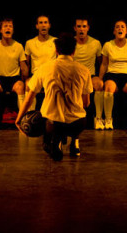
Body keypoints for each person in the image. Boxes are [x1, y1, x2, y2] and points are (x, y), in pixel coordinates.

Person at [16, 32, 93, 161]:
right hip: (78, 124)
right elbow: (86, 103)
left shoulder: (44, 68)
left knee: (51, 123)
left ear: (56, 51)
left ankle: (54, 141)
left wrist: (18, 120)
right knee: (78, 115)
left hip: (53, 124)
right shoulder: (84, 70)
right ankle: (75, 141)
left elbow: (30, 97)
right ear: (74, 51)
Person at [98, 20, 127, 130]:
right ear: (114, 31)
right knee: (109, 87)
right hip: (112, 74)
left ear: (126, 31)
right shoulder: (108, 45)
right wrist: (100, 79)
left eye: (122, 27)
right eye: (117, 27)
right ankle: (108, 119)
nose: (120, 29)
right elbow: (104, 64)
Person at [0, 18, 27, 130]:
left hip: (14, 78)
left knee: (20, 88)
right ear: (0, 30)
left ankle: (21, 120)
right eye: (5, 26)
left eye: (10, 26)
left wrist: (24, 78)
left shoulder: (19, 46)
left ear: (13, 30)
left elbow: (23, 67)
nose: (8, 28)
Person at [72, 18, 103, 129]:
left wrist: (100, 77)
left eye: (84, 26)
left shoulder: (95, 43)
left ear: (88, 28)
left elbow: (101, 63)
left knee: (99, 84)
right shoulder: (71, 42)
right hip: (74, 75)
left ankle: (98, 118)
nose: (81, 29)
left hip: (90, 75)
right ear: (75, 28)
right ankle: (72, 117)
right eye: (79, 26)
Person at [24, 15, 56, 111]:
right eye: (41, 23)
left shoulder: (55, 41)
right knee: (28, 84)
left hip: (51, 75)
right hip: (36, 75)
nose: (43, 25)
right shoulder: (30, 43)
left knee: (55, 86)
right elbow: (27, 64)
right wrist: (26, 78)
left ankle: (52, 118)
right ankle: (29, 115)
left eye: (45, 22)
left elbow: (61, 61)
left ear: (49, 25)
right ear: (37, 26)